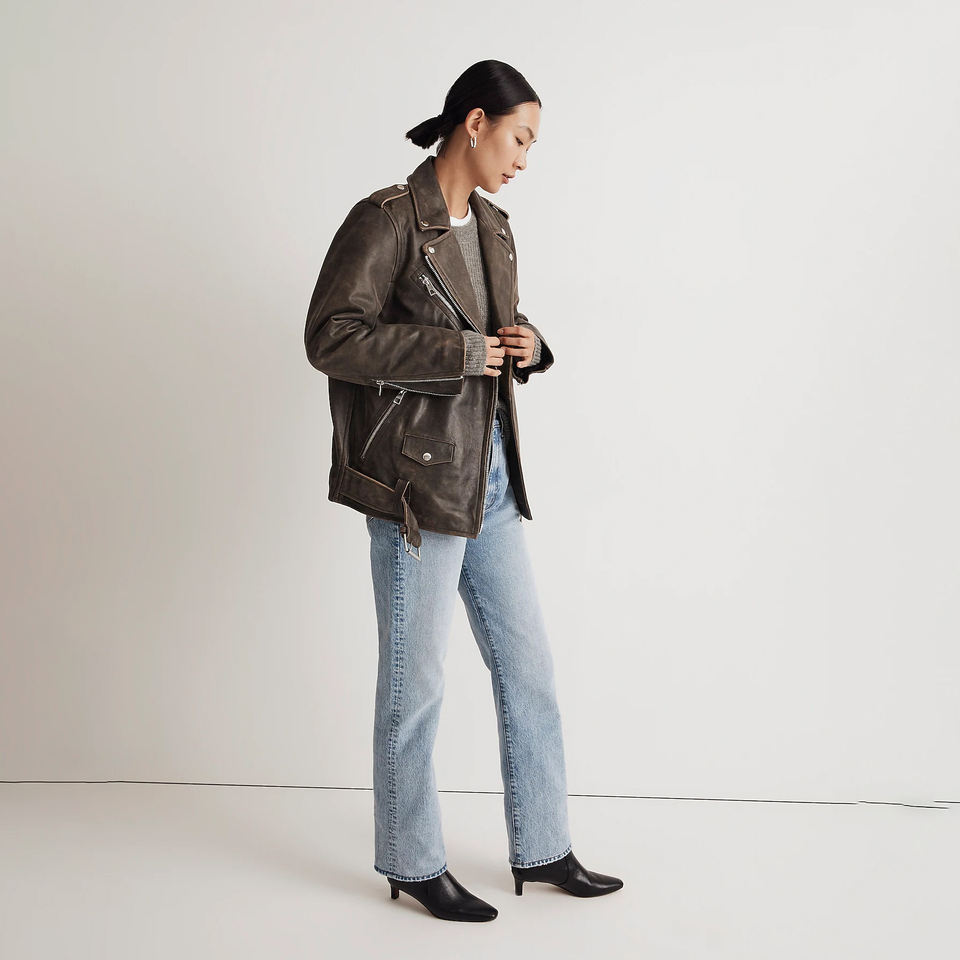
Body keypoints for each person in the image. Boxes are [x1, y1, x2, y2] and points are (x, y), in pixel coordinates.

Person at [304, 60, 623, 922]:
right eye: (520, 138)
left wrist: (529, 346)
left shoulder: (493, 227)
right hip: (416, 489)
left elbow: (491, 334)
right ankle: (412, 861)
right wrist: (456, 354)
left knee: (529, 669)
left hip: (491, 477)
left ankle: (544, 845)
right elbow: (330, 336)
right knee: (416, 688)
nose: (525, 158)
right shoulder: (385, 220)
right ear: (474, 123)